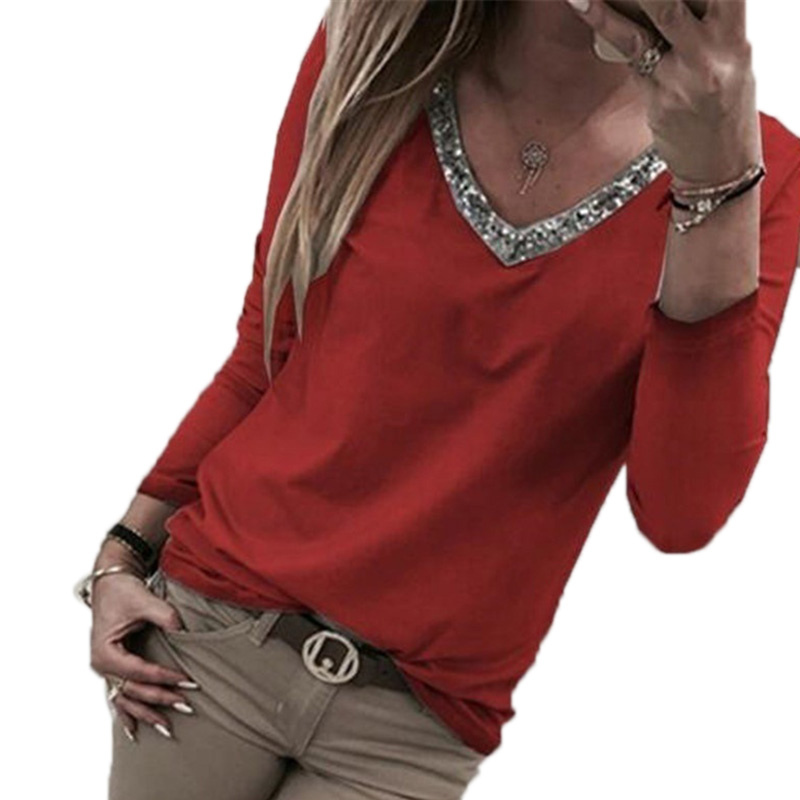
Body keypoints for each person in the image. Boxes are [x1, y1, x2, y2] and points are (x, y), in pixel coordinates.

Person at [76, 1, 800, 798]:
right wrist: (121, 556)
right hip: (208, 644)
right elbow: (268, 353)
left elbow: (681, 512)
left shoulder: (760, 175)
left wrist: (715, 182)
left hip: (414, 727)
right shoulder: (377, 47)